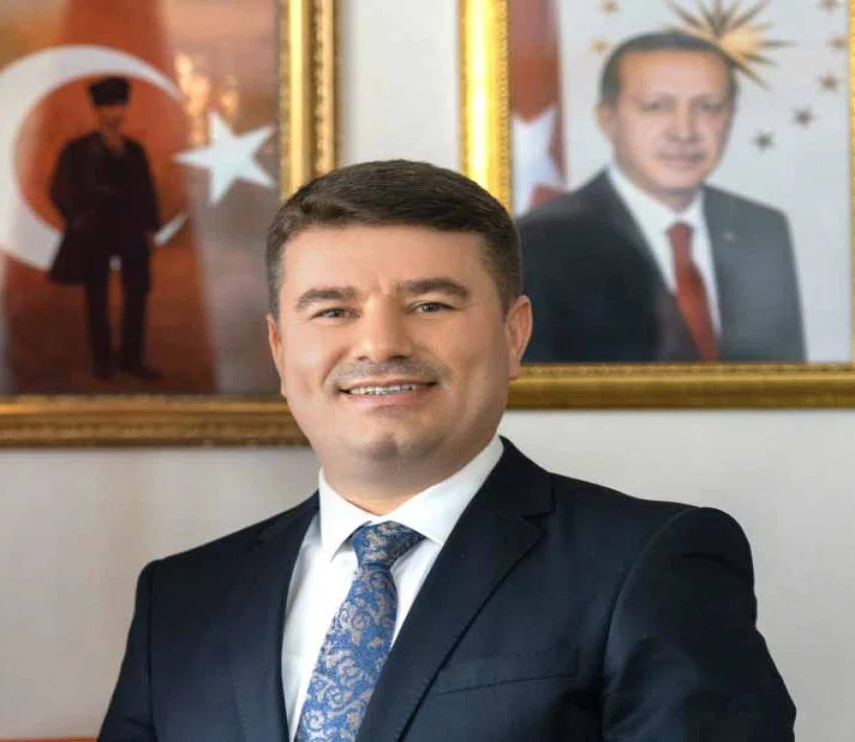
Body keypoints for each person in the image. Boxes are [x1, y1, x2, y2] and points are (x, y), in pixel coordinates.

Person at [98, 160, 795, 741]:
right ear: (281, 350)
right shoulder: (183, 597)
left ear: (513, 334)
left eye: (430, 305)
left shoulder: (651, 564)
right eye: (334, 311)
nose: (380, 344)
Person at [518, 31, 805, 363]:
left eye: (708, 107)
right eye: (657, 107)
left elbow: (784, 380)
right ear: (608, 119)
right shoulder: (544, 240)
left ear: (730, 118)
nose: (684, 132)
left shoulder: (762, 229)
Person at [47, 76, 161, 380]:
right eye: (109, 106)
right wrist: (78, 219)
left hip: (131, 229)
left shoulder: (134, 150)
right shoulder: (77, 150)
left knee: (137, 293)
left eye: (120, 105)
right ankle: (102, 362)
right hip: (95, 231)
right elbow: (59, 189)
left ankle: (132, 359)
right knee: (95, 296)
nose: (115, 112)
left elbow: (147, 191)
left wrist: (150, 228)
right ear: (98, 110)